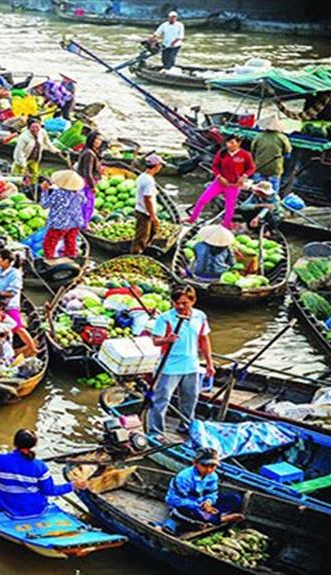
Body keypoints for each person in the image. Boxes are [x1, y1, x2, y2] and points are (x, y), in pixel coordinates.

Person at [150, 286, 214, 436]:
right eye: (176, 303)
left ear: (193, 301)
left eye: (184, 303)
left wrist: (209, 363)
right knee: (161, 400)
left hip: (191, 365)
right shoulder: (165, 318)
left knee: (190, 399)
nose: (180, 306)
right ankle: (156, 431)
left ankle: (185, 426)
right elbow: (155, 340)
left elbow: (204, 339)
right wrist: (167, 339)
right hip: (169, 367)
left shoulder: (200, 316)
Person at [0, 429, 87, 518]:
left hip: (5, 509)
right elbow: (49, 491)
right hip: (36, 510)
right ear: (34, 445)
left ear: (14, 443)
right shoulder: (40, 467)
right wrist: (72, 485)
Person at [186, 135, 255, 230]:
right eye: (228, 142)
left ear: (239, 143)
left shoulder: (245, 155)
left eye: (232, 143)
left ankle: (226, 224)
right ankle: (192, 219)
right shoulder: (222, 153)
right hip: (219, 182)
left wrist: (244, 176)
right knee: (202, 200)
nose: (229, 145)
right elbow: (215, 166)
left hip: (233, 185)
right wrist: (219, 177)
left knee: (229, 206)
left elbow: (251, 168)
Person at [165, 448, 243, 531]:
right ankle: (219, 519)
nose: (208, 470)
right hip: (185, 506)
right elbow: (175, 500)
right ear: (195, 463)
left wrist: (208, 502)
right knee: (186, 511)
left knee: (235, 498)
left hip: (202, 505)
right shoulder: (184, 477)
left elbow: (212, 493)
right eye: (204, 465)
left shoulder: (213, 476)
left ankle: (208, 518)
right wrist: (200, 506)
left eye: (212, 466)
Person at [0, 249, 38, 357]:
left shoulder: (15, 274)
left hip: (9, 304)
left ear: (6, 261)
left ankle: (32, 348)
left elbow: (13, 292)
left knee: (17, 327)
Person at [40, 170, 86, 259]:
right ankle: (71, 259)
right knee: (70, 243)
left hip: (60, 223)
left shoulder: (58, 193)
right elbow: (84, 201)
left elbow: (44, 205)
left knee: (49, 244)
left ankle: (50, 262)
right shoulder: (79, 193)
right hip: (75, 222)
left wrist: (44, 191)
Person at [131, 154, 167, 255]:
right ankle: (135, 255)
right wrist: (152, 215)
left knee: (152, 232)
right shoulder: (149, 180)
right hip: (144, 212)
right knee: (141, 237)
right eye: (160, 165)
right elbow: (148, 199)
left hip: (141, 209)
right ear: (156, 166)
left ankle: (143, 251)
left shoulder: (143, 176)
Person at [251, 115, 292, 192]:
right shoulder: (282, 137)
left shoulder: (258, 136)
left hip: (260, 166)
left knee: (257, 188)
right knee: (274, 190)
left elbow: (253, 150)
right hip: (275, 168)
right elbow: (287, 152)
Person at [75, 130, 102, 229]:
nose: (99, 142)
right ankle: (83, 225)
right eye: (97, 139)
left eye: (100, 140)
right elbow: (87, 172)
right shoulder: (89, 154)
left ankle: (83, 223)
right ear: (92, 140)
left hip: (85, 181)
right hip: (86, 183)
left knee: (85, 203)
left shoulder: (90, 152)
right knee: (87, 204)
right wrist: (92, 186)